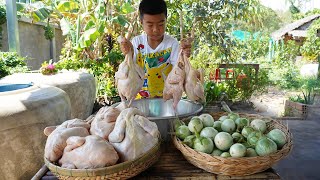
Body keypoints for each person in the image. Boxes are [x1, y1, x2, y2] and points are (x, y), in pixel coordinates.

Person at [120, 0, 191, 99]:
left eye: (161, 24)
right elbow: (131, 69)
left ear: (166, 20)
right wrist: (128, 53)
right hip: (139, 101)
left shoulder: (172, 44)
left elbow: (179, 69)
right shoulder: (137, 42)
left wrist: (183, 56)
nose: (155, 30)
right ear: (141, 23)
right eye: (150, 25)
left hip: (166, 101)